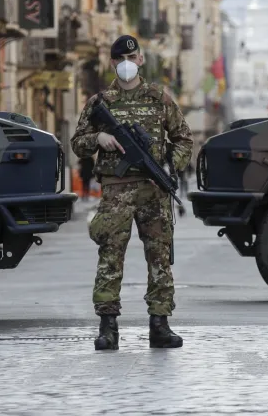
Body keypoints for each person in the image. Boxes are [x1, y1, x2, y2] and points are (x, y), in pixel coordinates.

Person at [70, 35, 193, 351]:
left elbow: (183, 139)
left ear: (141, 60)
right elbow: (77, 143)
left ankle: (160, 324)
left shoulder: (159, 98)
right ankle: (108, 326)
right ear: (113, 63)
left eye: (133, 57)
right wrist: (99, 138)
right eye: (120, 59)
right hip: (116, 191)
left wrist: (170, 167)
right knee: (110, 257)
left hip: (154, 190)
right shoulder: (101, 102)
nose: (127, 63)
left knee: (159, 257)